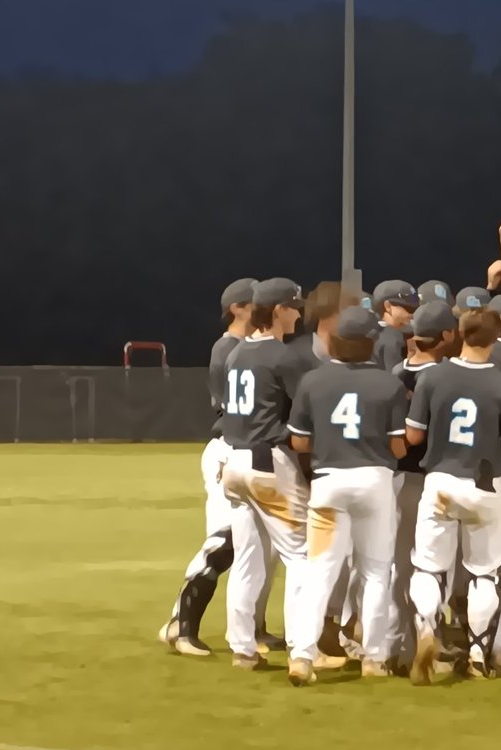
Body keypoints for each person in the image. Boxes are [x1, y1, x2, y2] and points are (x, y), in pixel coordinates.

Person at [404, 308, 501, 684]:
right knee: (484, 574)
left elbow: (413, 436)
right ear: (496, 339)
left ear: (459, 333)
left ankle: (427, 631)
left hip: (441, 480)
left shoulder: (433, 376)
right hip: (484, 483)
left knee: (429, 566)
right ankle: (478, 656)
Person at [285, 306, 408, 685]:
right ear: (371, 341)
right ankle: (374, 657)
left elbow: (299, 441)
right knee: (375, 572)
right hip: (374, 481)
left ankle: (302, 656)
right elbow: (400, 448)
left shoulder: (313, 381)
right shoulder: (389, 384)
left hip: (328, 480)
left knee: (320, 571)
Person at [158, 277, 279, 656]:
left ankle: (254, 627)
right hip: (229, 448)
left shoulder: (246, 348)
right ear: (239, 308)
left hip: (243, 449)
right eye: (253, 299)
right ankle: (181, 623)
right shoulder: (229, 348)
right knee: (225, 542)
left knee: (260, 548)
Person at [219, 277, 309, 670]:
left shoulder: (237, 352)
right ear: (277, 311)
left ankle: (242, 648)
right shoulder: (280, 355)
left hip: (234, 461)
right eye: (294, 306)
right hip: (267, 461)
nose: (298, 313)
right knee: (302, 556)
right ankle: (303, 651)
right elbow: (304, 416)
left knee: (247, 559)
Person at [390, 302, 461, 675]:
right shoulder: (450, 376)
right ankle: (431, 633)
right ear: (447, 336)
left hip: (398, 479)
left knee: (399, 567)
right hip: (436, 477)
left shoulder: (394, 374)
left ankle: (398, 644)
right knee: (436, 568)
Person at [372, 280, 420, 370]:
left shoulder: (369, 331)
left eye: (414, 310)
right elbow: (394, 379)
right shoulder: (392, 337)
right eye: (407, 308)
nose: (412, 314)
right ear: (388, 306)